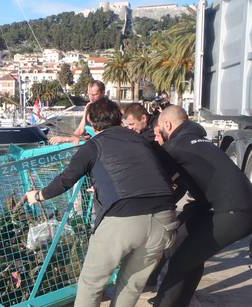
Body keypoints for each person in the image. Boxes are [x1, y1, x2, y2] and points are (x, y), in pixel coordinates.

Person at [26, 97, 177, 307]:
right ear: (118, 118)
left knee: (91, 283)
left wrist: (39, 195)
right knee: (131, 284)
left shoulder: (93, 145)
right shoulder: (142, 140)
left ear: (91, 122)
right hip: (164, 217)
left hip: (124, 218)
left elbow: (65, 180)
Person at [152, 106, 252, 307]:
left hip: (234, 212)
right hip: (234, 207)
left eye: (157, 133)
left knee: (181, 262)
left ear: (167, 125)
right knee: (188, 251)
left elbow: (150, 175)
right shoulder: (197, 141)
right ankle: (177, 301)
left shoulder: (176, 147)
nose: (156, 139)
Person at [49, 80, 105, 145]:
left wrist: (65, 139)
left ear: (103, 93)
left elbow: (101, 135)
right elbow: (80, 129)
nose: (91, 98)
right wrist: (65, 138)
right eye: (89, 94)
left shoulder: (108, 110)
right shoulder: (88, 107)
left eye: (94, 94)